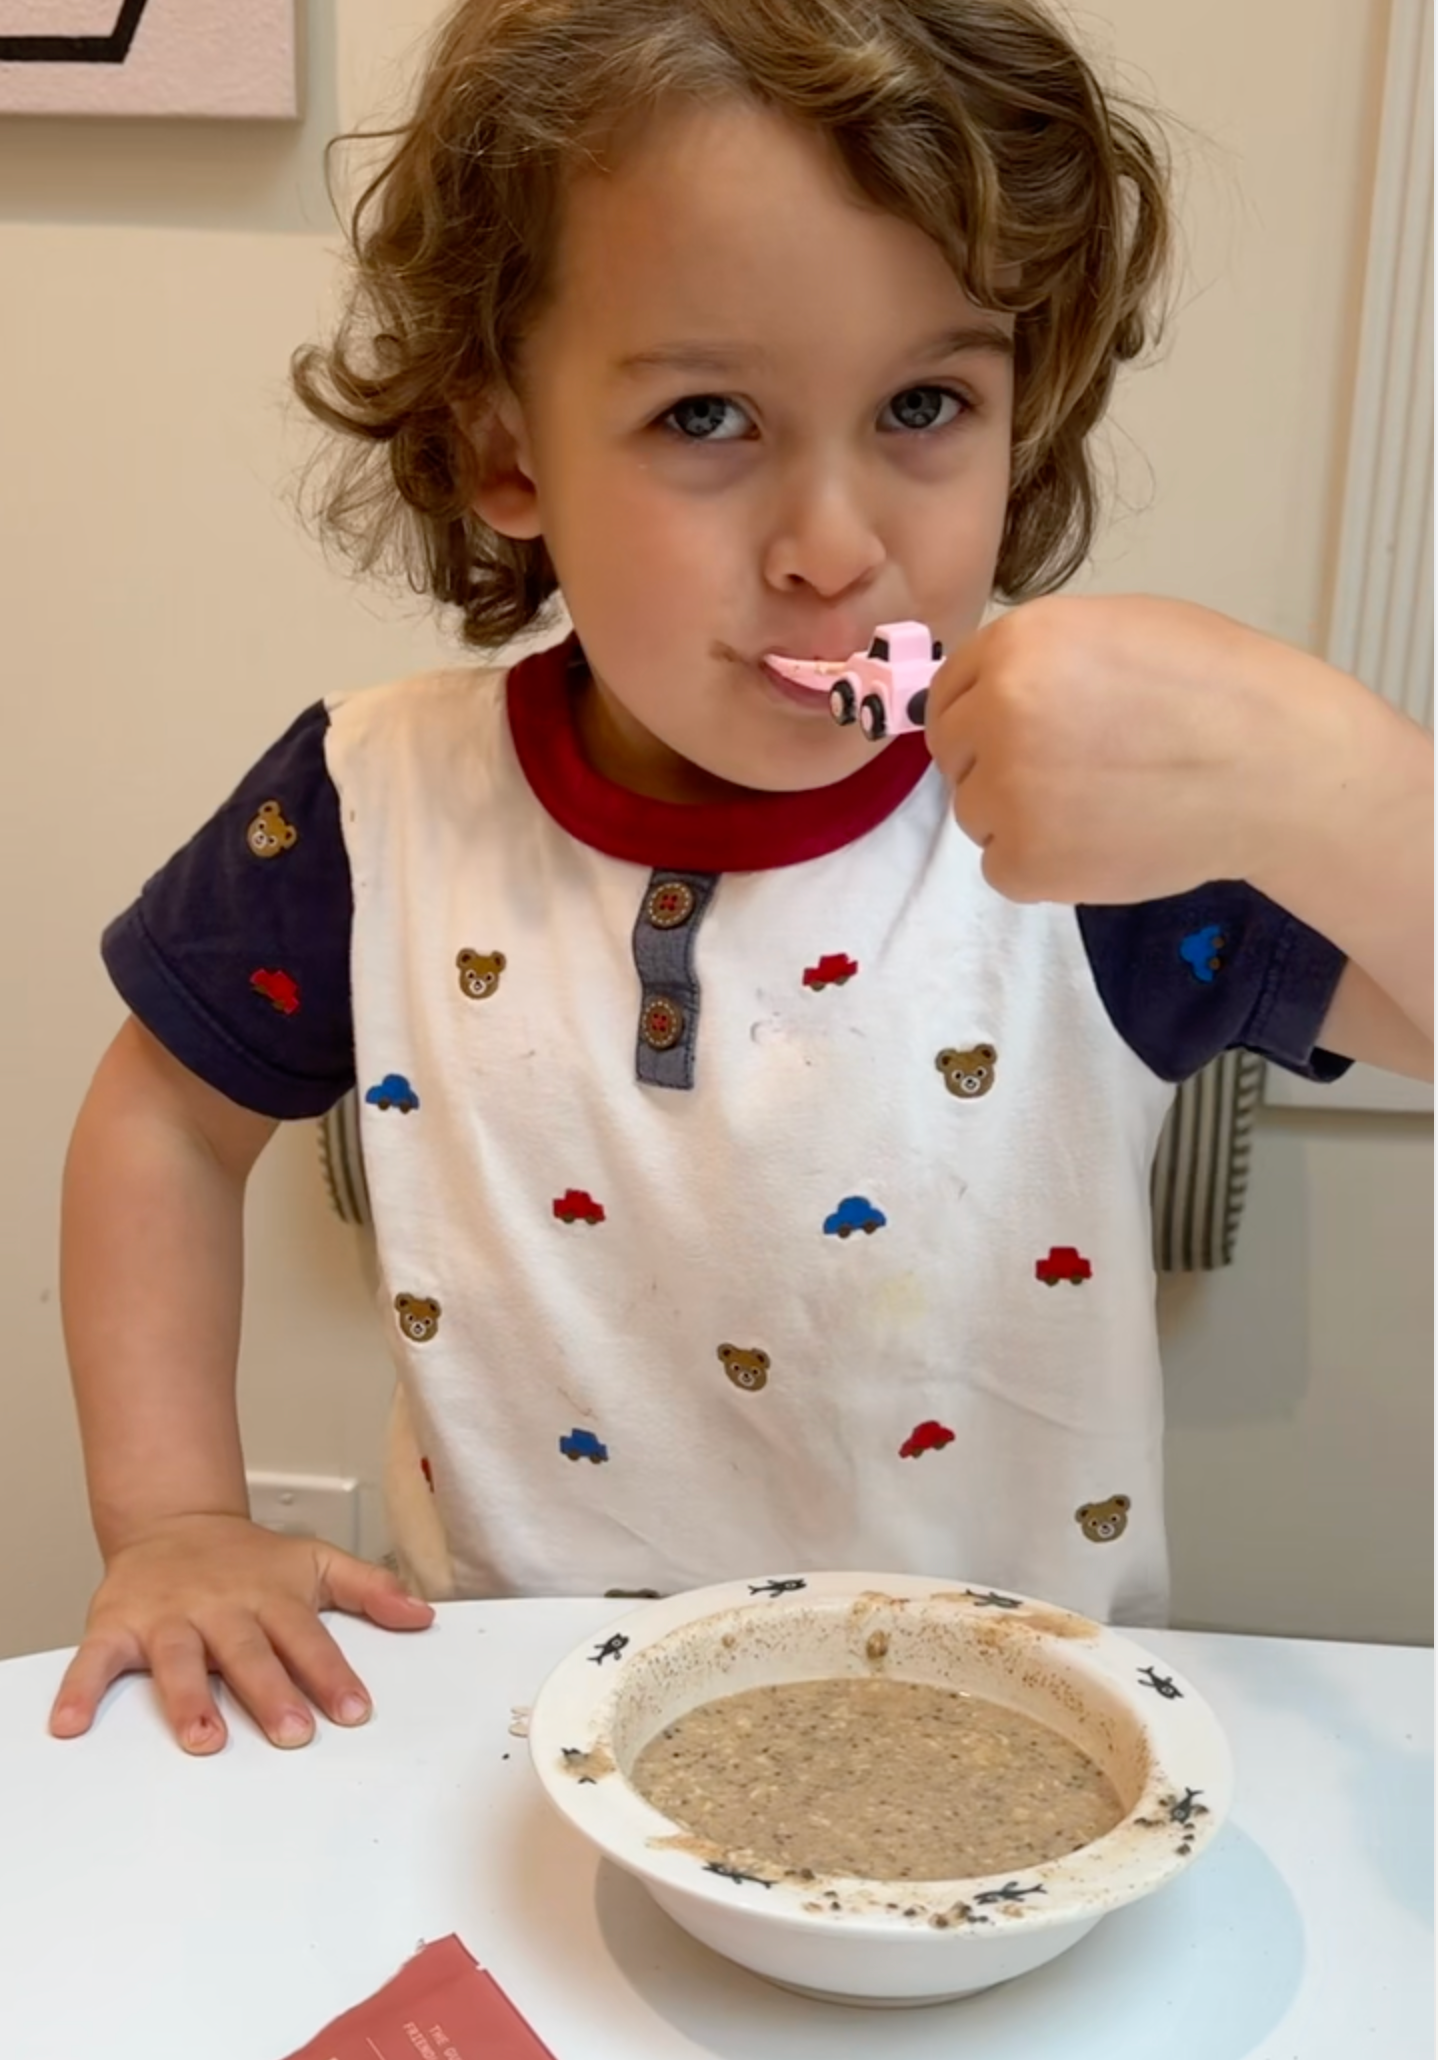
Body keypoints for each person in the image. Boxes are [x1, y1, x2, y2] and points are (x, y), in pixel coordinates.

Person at [49, 0, 1432, 1758]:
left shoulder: (1102, 837)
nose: (834, 548)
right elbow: (164, 1124)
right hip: (526, 1749)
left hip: (999, 1747)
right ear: (505, 449)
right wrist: (174, 1518)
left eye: (925, 402)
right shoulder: (370, 802)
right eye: (708, 414)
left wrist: (1343, 787)